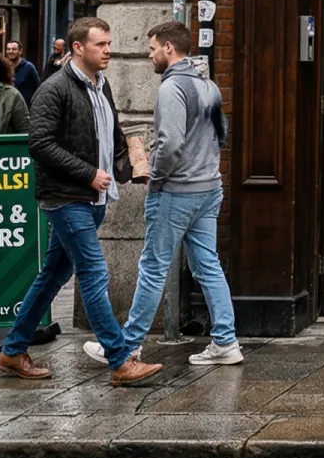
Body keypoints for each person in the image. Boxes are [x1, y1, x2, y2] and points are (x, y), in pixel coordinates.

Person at [0, 18, 161, 387]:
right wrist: (87, 173)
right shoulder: (54, 89)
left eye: (108, 43)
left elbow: (110, 134)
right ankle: (120, 361)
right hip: (65, 197)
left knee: (53, 274)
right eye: (101, 44)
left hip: (93, 197)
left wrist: (130, 162)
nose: (108, 50)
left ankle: (12, 351)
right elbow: (39, 143)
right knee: (94, 272)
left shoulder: (101, 86)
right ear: (77, 48)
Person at [84, 22, 243, 369]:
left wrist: (154, 175)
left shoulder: (172, 88)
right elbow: (222, 135)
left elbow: (170, 143)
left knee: (153, 267)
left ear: (169, 47)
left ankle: (128, 346)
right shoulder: (209, 85)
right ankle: (226, 342)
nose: (150, 54)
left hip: (176, 191)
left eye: (153, 47)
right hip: (209, 187)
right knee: (208, 266)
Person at [4, 40, 42, 105]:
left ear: (20, 51)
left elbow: (38, 88)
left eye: (14, 49)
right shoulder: (3, 67)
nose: (11, 51)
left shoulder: (29, 67)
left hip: (25, 109)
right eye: (8, 49)